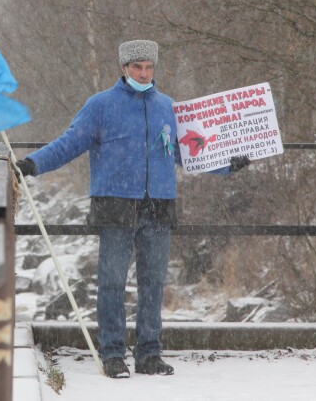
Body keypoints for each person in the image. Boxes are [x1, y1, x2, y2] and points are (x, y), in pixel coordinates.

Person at [15, 39, 250, 379]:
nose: (143, 73)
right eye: (137, 67)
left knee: (153, 283)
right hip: (114, 206)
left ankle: (149, 353)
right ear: (123, 68)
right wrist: (33, 164)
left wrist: (229, 164)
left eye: (149, 67)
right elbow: (70, 143)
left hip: (158, 205)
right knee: (111, 282)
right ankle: (112, 353)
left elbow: (190, 154)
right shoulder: (100, 106)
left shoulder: (168, 107)